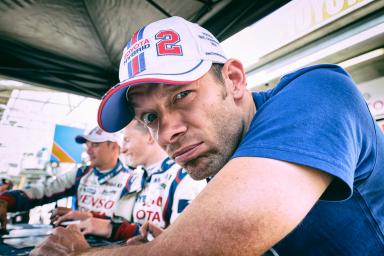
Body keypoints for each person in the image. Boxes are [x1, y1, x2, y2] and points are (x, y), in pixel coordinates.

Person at [30, 16, 384, 255]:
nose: (167, 132)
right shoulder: (223, 152)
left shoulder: (318, 93)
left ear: (233, 79)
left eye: (182, 95)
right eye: (150, 117)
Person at [65, 120, 206, 241]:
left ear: (150, 137)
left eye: (126, 140)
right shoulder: (136, 178)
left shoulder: (185, 177)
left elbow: (181, 244)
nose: (122, 150)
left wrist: (112, 229)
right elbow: (123, 221)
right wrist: (88, 217)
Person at [0, 126, 132, 231]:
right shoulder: (81, 174)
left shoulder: (132, 181)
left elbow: (131, 226)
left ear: (114, 147)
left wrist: (84, 217)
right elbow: (44, 191)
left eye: (95, 145)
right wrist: (5, 201)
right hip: (76, 242)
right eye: (88, 145)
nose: (88, 151)